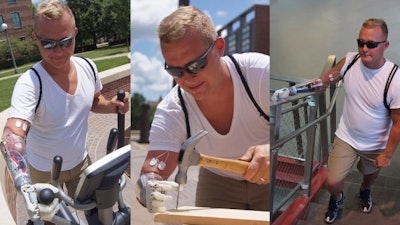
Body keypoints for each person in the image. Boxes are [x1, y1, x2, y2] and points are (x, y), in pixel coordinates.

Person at [0, 0, 130, 224]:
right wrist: (22, 179)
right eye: (48, 44)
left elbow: (94, 100)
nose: (58, 51)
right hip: (43, 171)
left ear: (75, 34)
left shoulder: (88, 67)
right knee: (53, 220)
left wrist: (110, 106)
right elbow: (12, 134)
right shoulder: (31, 83)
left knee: (99, 215)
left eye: (65, 42)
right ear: (36, 39)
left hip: (81, 163)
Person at [135, 6, 269, 213]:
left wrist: (274, 149)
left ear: (219, 47)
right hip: (217, 181)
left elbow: (299, 124)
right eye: (175, 71)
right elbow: (154, 167)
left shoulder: (260, 74)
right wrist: (149, 183)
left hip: (275, 174)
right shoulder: (173, 109)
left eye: (196, 65)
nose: (188, 78)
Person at [272, 18, 400, 224]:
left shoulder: (395, 79)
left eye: (371, 44)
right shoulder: (349, 62)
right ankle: (337, 197)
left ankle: (365, 190)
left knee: (370, 175)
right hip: (346, 136)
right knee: (333, 181)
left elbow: (398, 123)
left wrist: (387, 154)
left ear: (385, 45)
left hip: (376, 143)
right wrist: (293, 90)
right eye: (361, 42)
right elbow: (323, 81)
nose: (364, 49)